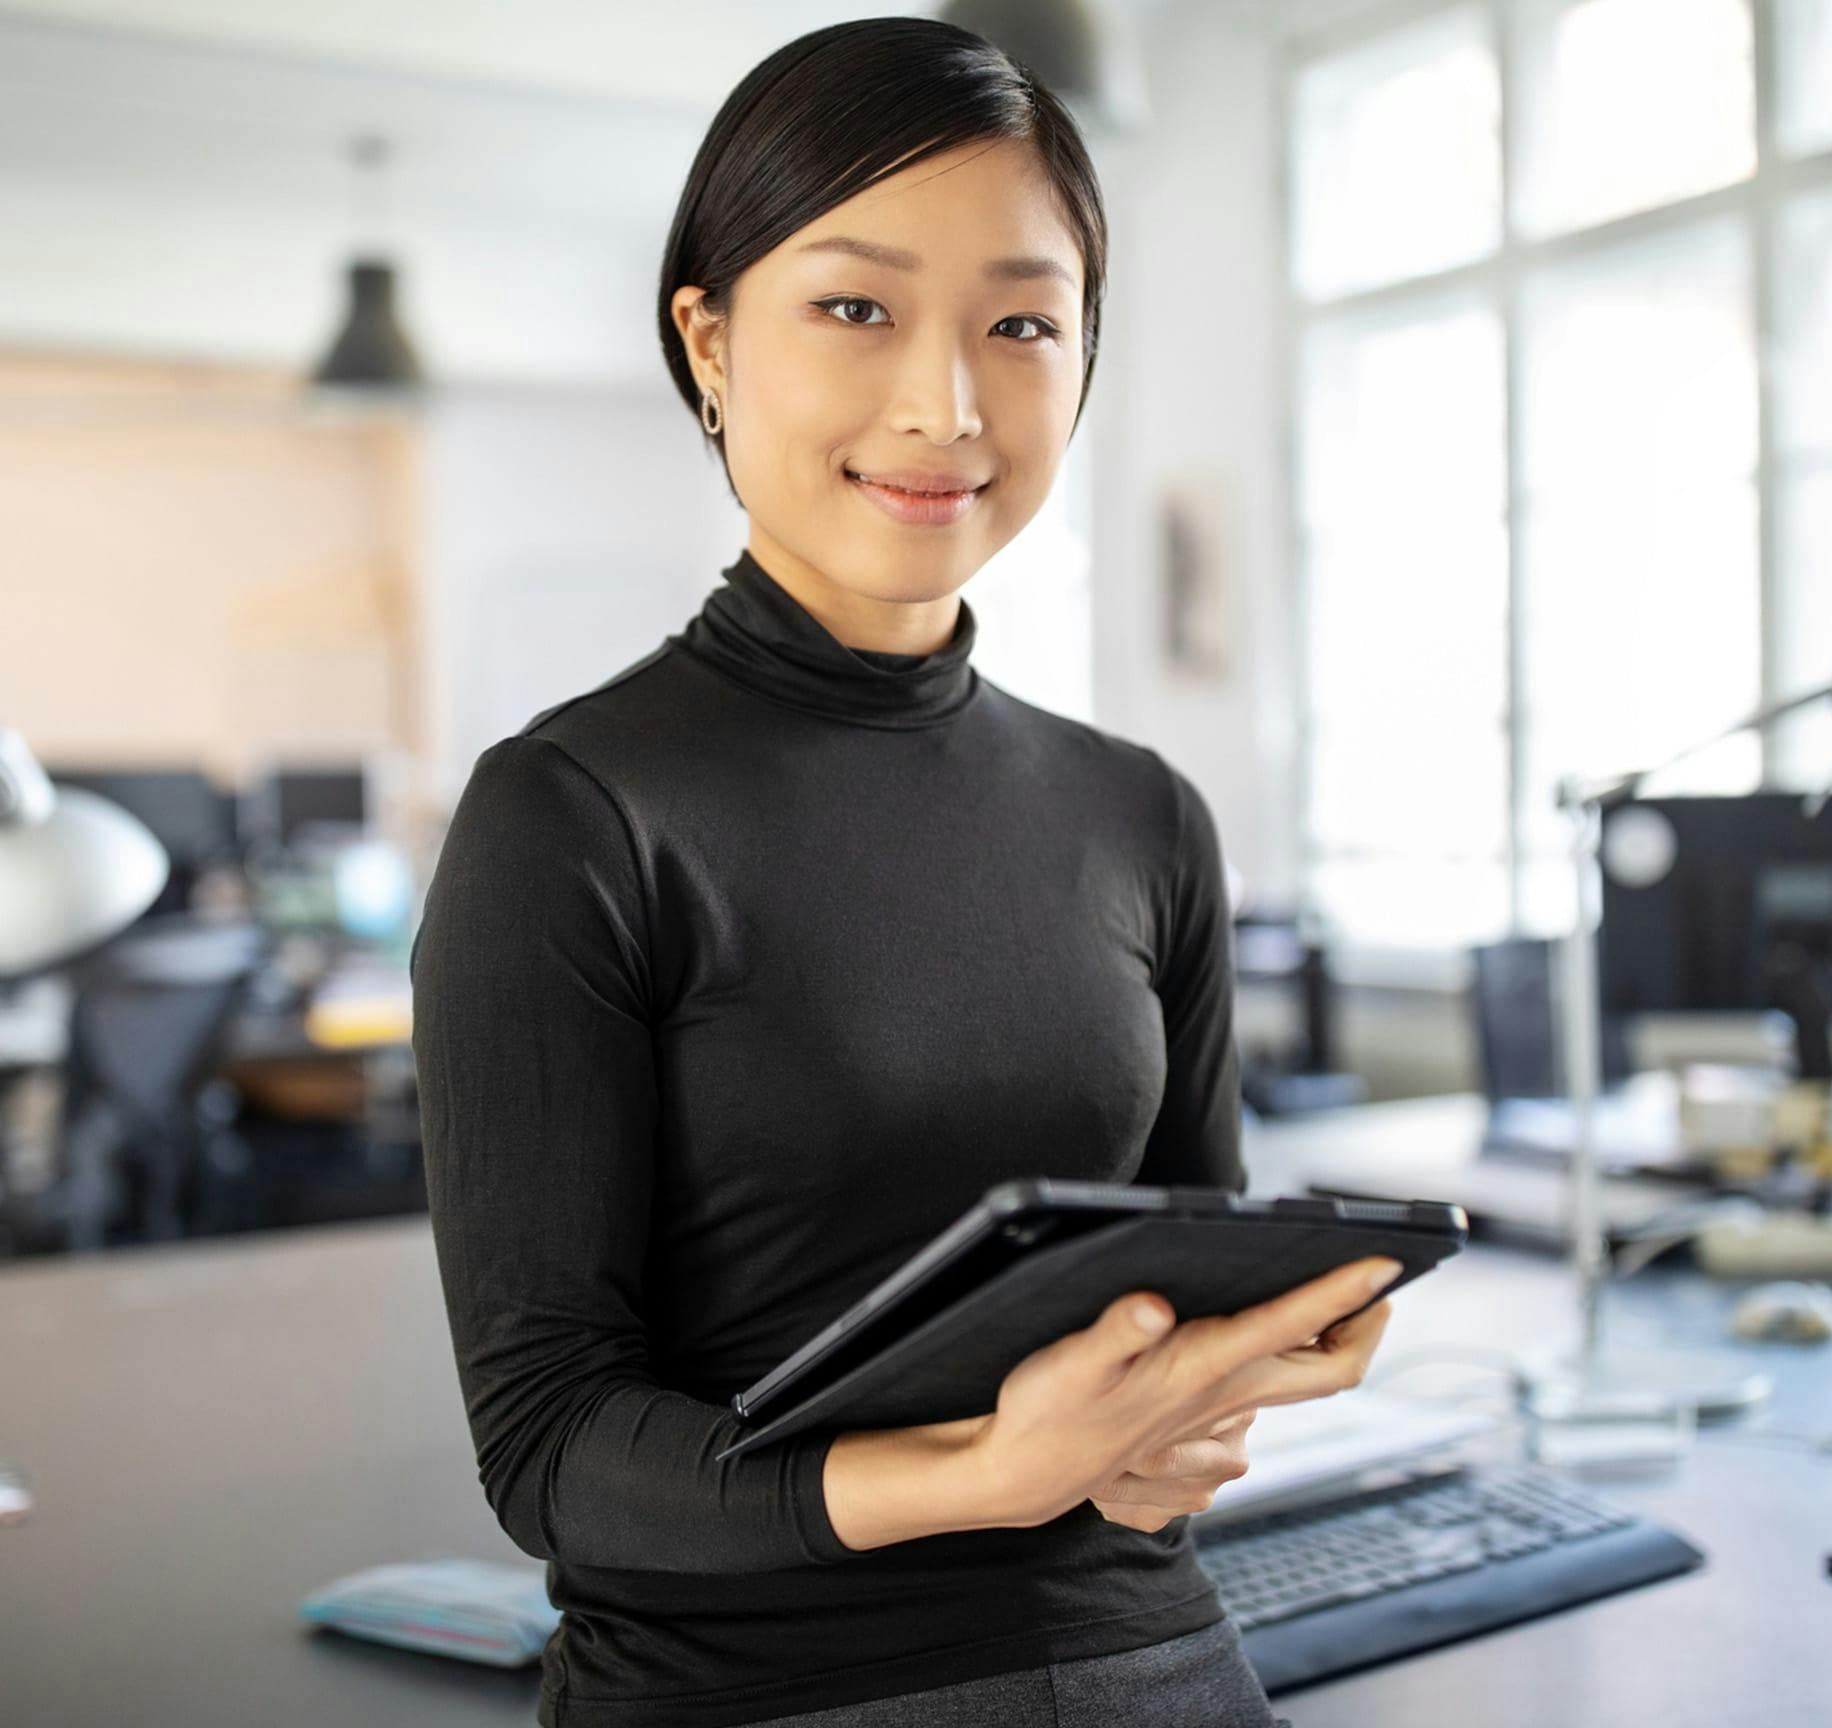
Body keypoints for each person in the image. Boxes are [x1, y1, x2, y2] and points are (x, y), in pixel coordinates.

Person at [410, 17, 1397, 1728]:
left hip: (1153, 1659)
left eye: (1021, 324)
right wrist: (979, 1475)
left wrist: (1198, 1416)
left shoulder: (1143, 816)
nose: (944, 403)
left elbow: (1181, 1306)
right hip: (756, 1692)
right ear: (709, 341)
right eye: (855, 309)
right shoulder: (569, 817)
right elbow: (551, 1448)